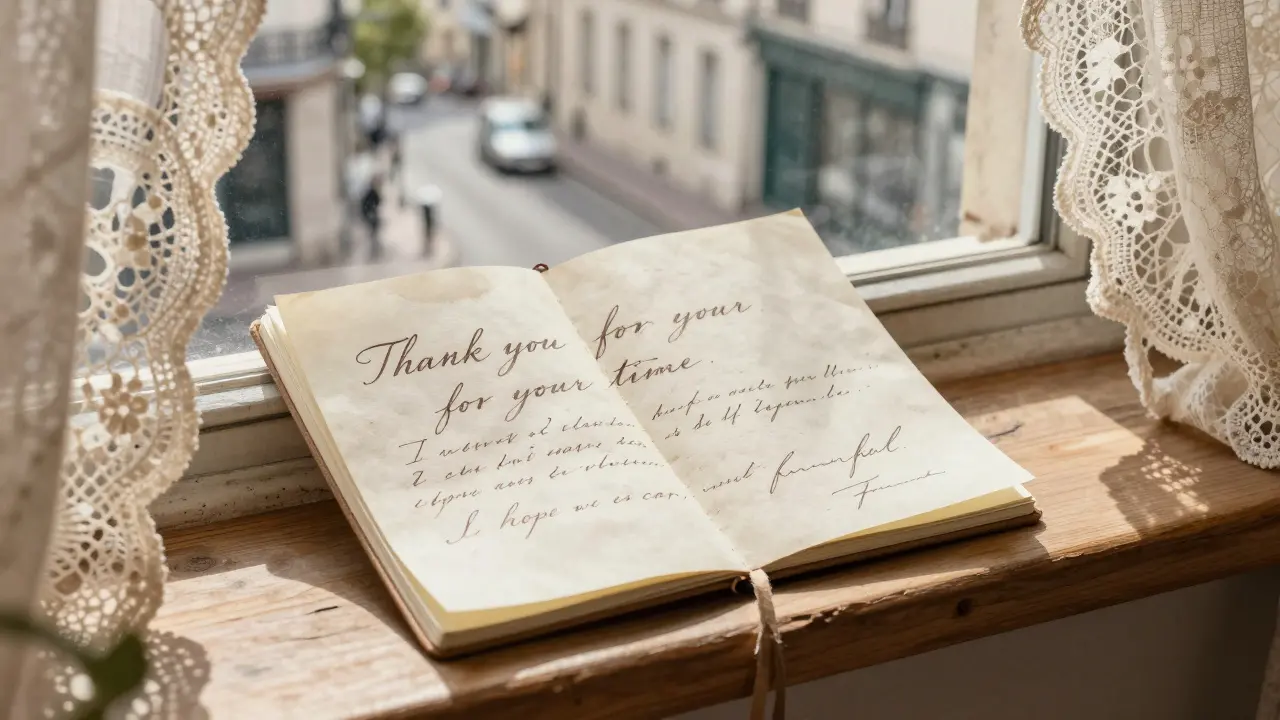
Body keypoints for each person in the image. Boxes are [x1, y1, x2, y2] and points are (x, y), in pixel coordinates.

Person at [360, 174, 384, 260]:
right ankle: (373, 251)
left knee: (374, 234)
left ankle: (374, 251)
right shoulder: (370, 192)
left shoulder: (373, 192)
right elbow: (366, 205)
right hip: (371, 216)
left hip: (372, 216)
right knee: (372, 234)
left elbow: (379, 202)